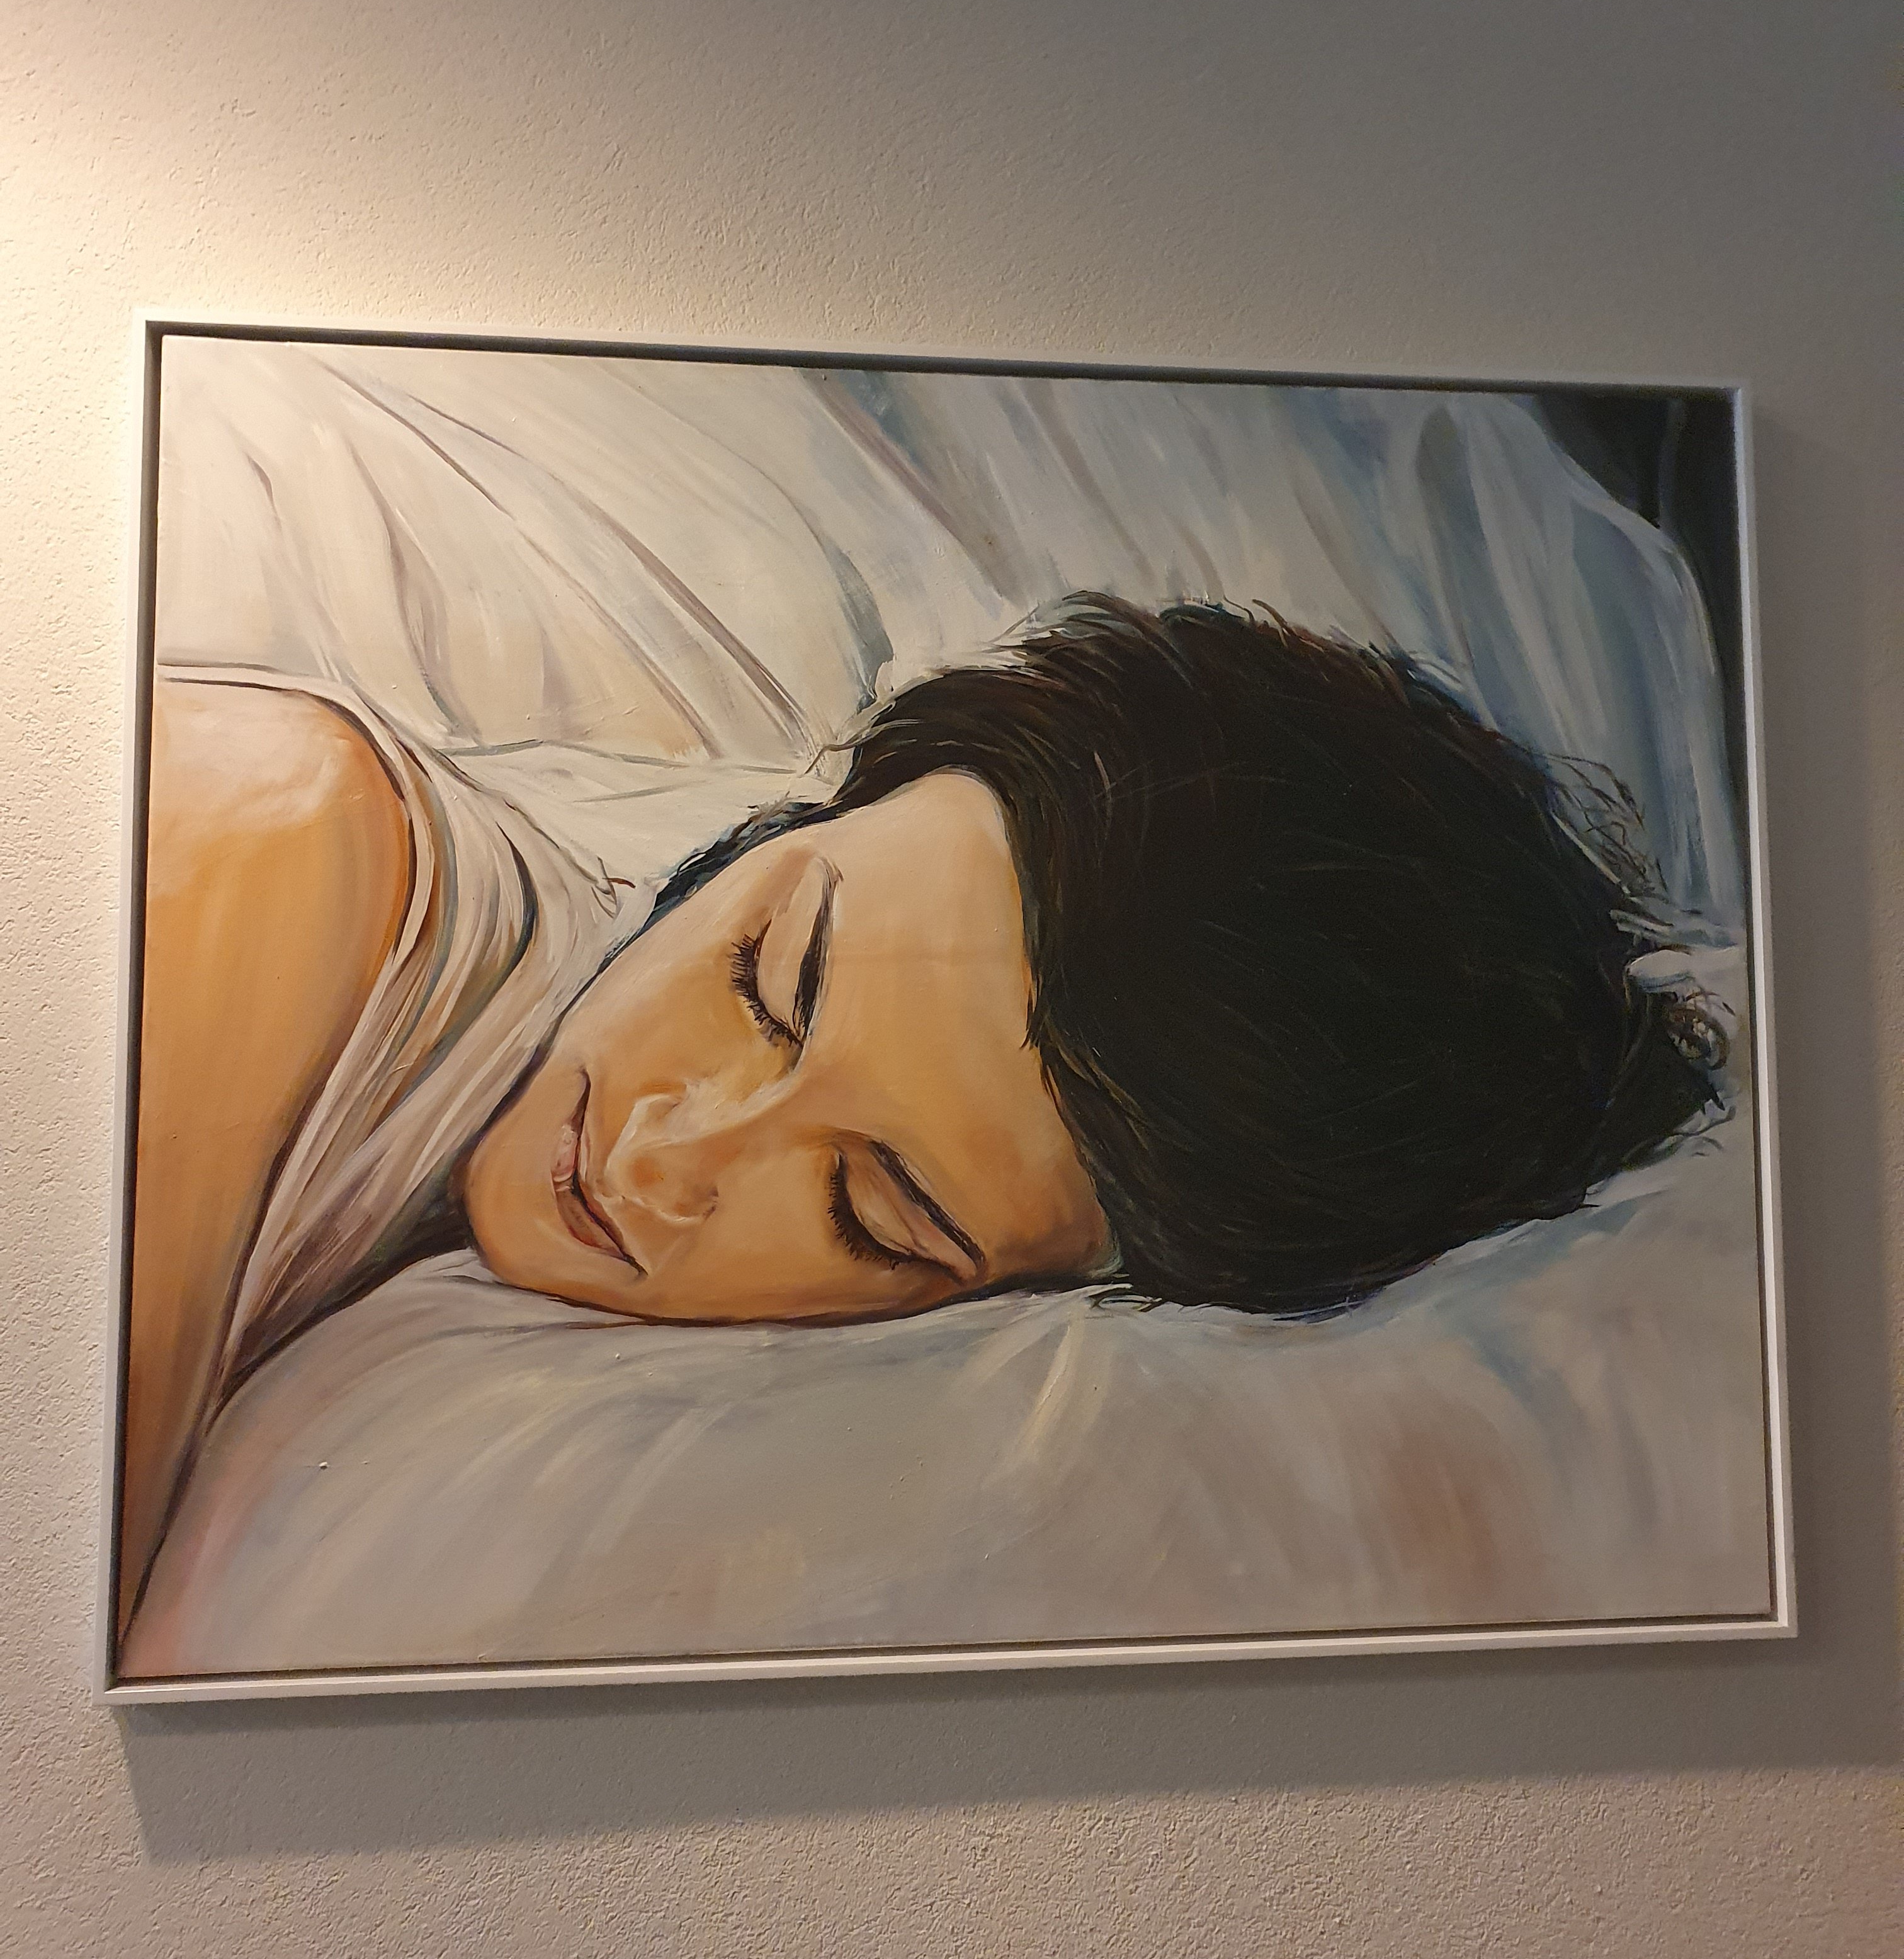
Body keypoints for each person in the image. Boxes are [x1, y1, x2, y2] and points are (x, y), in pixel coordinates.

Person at [120, 594, 1724, 1624]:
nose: (670, 1156)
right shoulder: (284, 849)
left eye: (868, 1214)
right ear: (801, 820)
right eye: (766, 978)